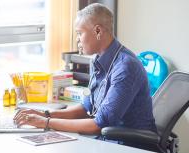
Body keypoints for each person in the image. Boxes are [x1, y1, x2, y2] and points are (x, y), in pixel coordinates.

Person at [14, 3, 156, 135]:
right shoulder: (97, 61)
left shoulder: (126, 68)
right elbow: (86, 108)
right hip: (107, 142)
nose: (77, 39)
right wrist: (44, 114)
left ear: (98, 31)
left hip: (131, 147)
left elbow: (98, 125)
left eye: (79, 33)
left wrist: (45, 122)